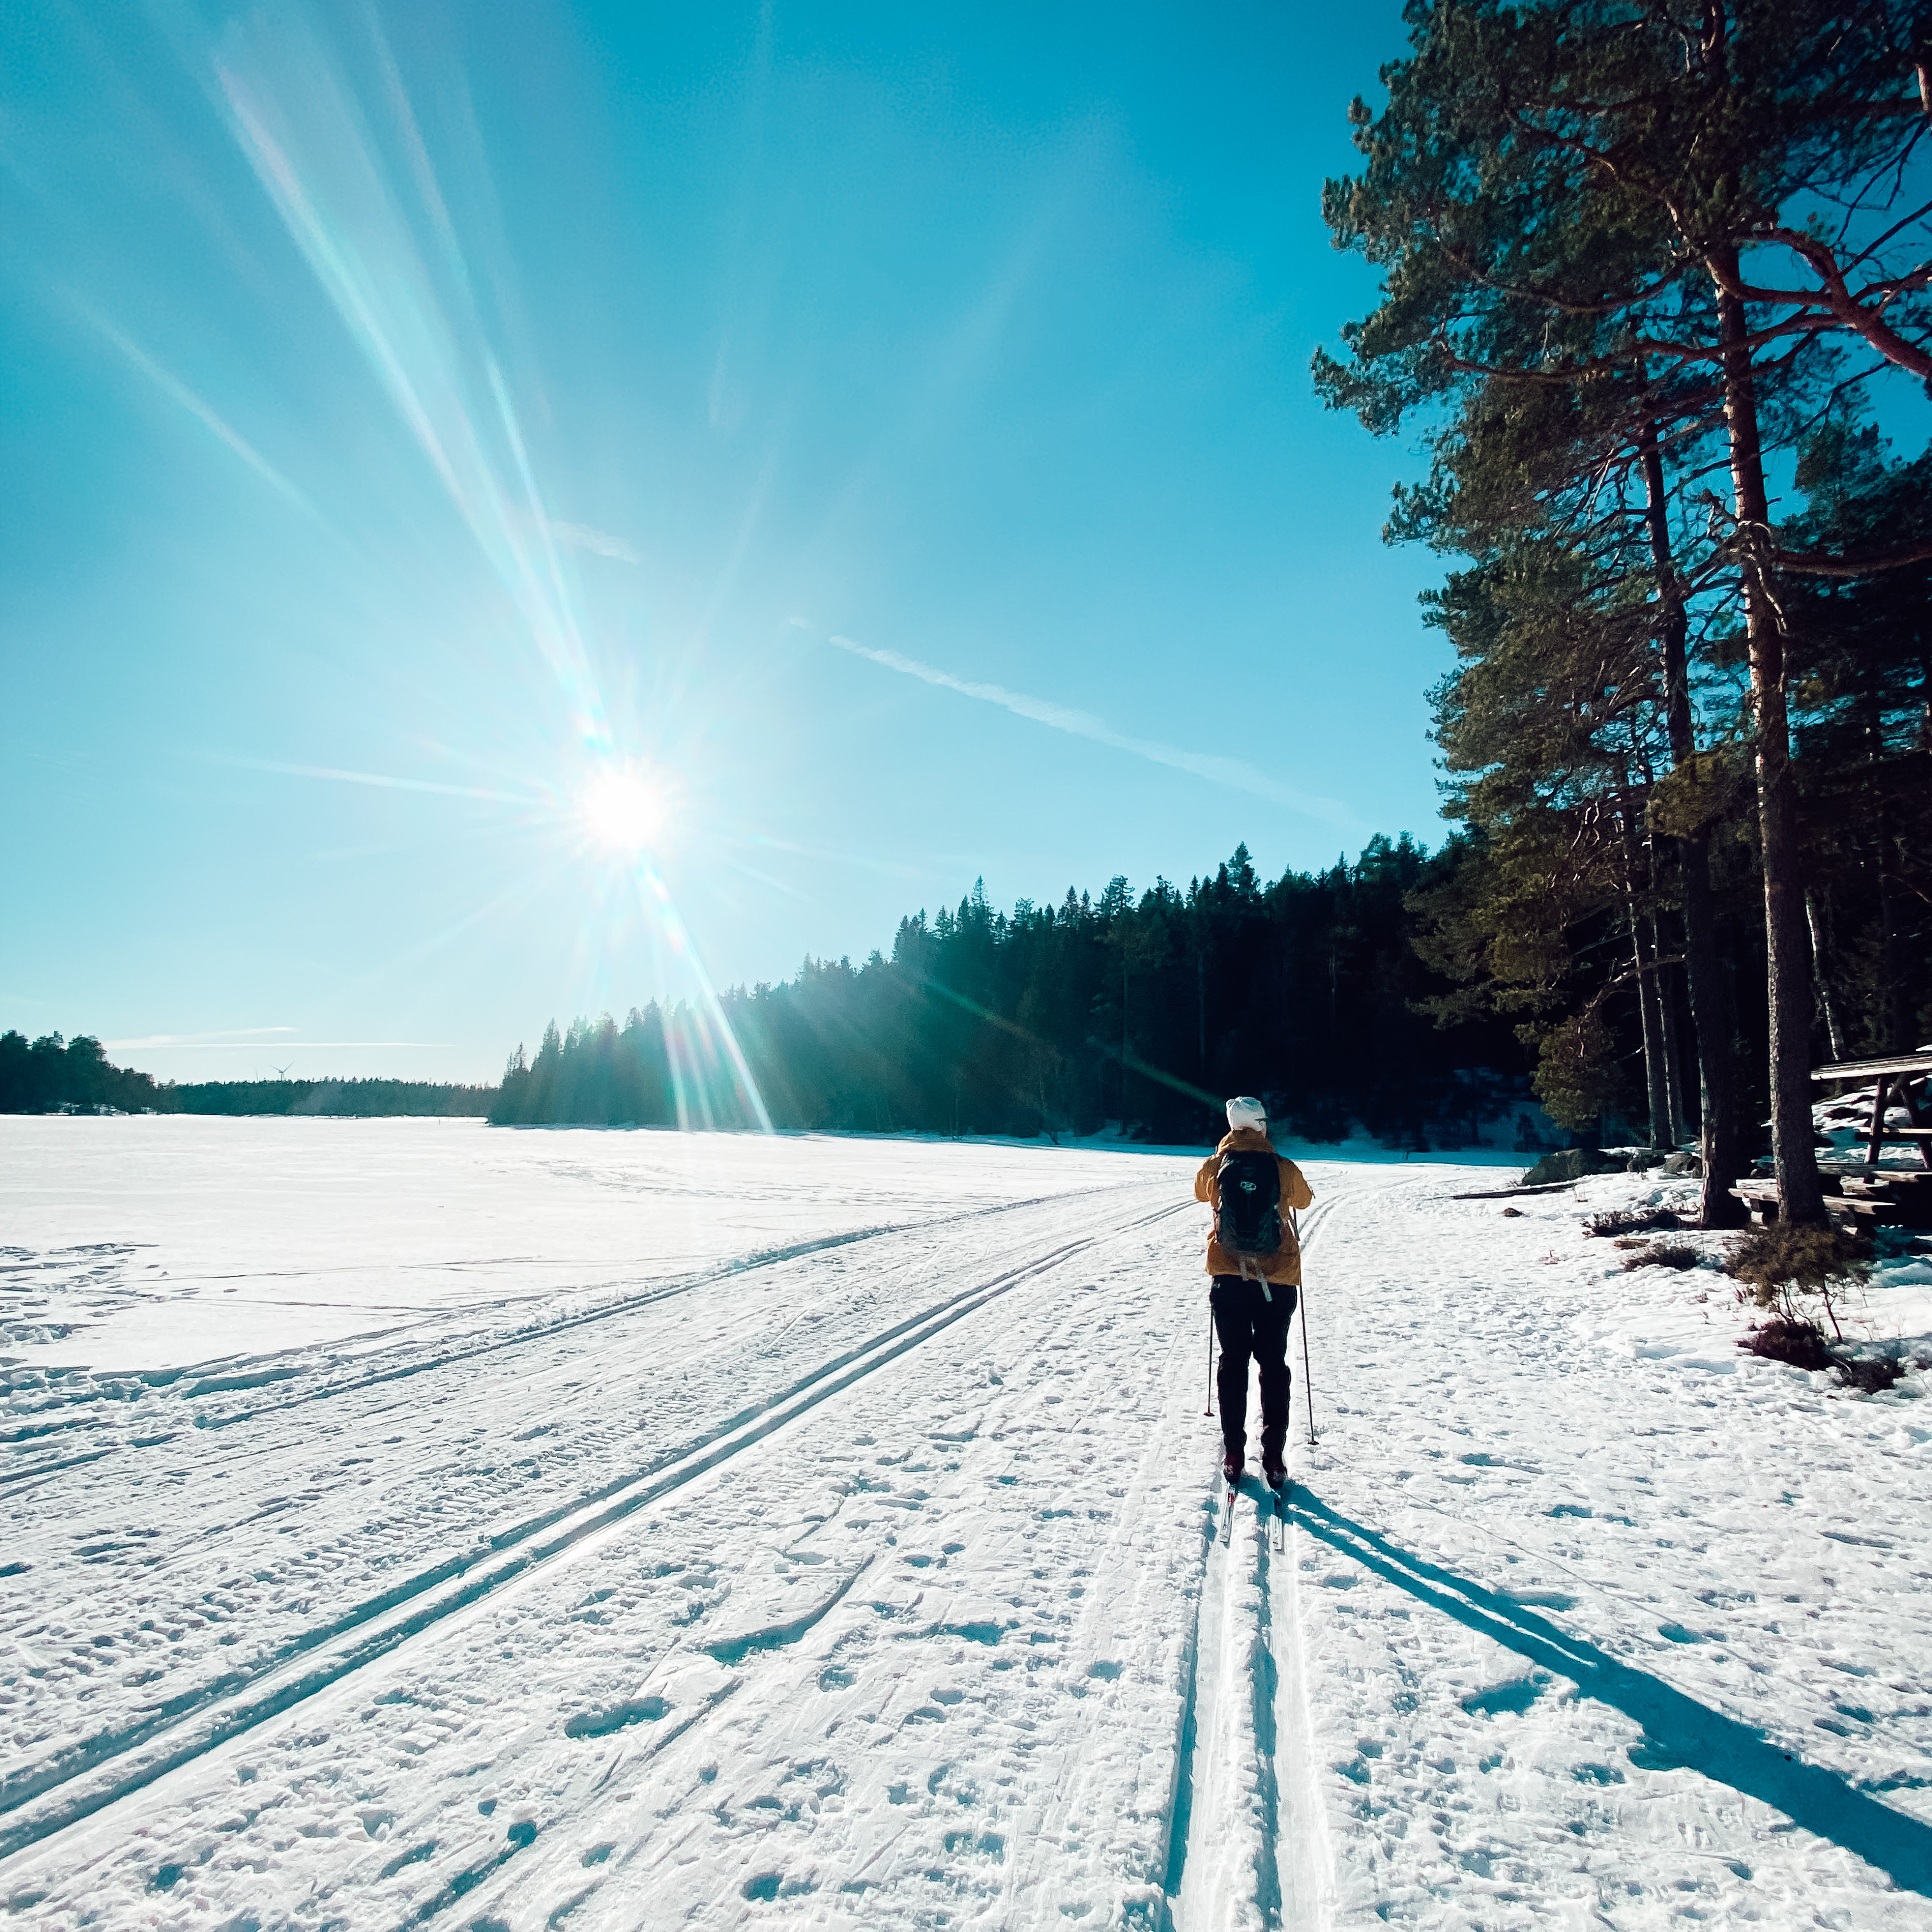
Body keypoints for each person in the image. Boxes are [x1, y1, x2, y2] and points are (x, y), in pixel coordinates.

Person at [1195, 1096, 1314, 1491]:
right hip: (1276, 1279)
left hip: (1228, 1276)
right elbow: (1304, 1200)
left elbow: (1201, 1193)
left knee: (1233, 1361)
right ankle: (1274, 1456)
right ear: (1262, 1125)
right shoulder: (1281, 1167)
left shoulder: (1216, 1165)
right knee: (1273, 1364)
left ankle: (1233, 1452)